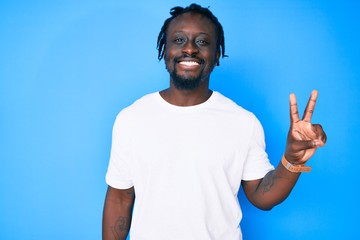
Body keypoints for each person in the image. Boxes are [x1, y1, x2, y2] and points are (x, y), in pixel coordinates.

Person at [102, 3, 327, 240]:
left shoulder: (243, 122)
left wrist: (291, 161)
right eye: (178, 40)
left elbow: (262, 198)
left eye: (202, 41)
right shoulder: (132, 118)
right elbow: (120, 197)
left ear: (217, 53)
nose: (189, 49)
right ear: (164, 50)